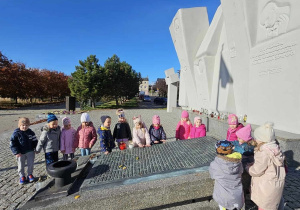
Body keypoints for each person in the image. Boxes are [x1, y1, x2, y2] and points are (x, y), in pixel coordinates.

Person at [245, 122, 286, 210]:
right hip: (275, 185)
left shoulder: (263, 152)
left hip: (265, 187)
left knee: (264, 206)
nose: (255, 140)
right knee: (273, 204)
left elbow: (257, 170)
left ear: (261, 139)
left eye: (257, 138)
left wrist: (248, 168)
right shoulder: (275, 148)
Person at [209, 140, 244, 210]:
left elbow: (212, 175)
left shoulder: (215, 164)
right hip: (237, 195)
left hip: (224, 197)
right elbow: (241, 171)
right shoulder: (238, 163)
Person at [10, 118, 38, 184]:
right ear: (19, 125)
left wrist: (36, 148)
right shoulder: (16, 134)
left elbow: (35, 141)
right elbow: (12, 144)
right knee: (21, 165)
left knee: (30, 164)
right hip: (20, 152)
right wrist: (16, 152)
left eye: (26, 125)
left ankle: (30, 174)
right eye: (23, 125)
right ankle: (22, 176)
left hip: (30, 150)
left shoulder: (31, 132)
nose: (24, 127)